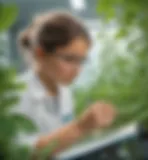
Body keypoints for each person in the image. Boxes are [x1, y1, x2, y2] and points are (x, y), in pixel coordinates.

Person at [17, 11, 116, 158]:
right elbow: (24, 153)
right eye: (69, 59)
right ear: (40, 54)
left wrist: (91, 128)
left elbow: (62, 143)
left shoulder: (63, 90)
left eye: (81, 61)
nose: (77, 70)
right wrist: (81, 127)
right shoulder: (15, 94)